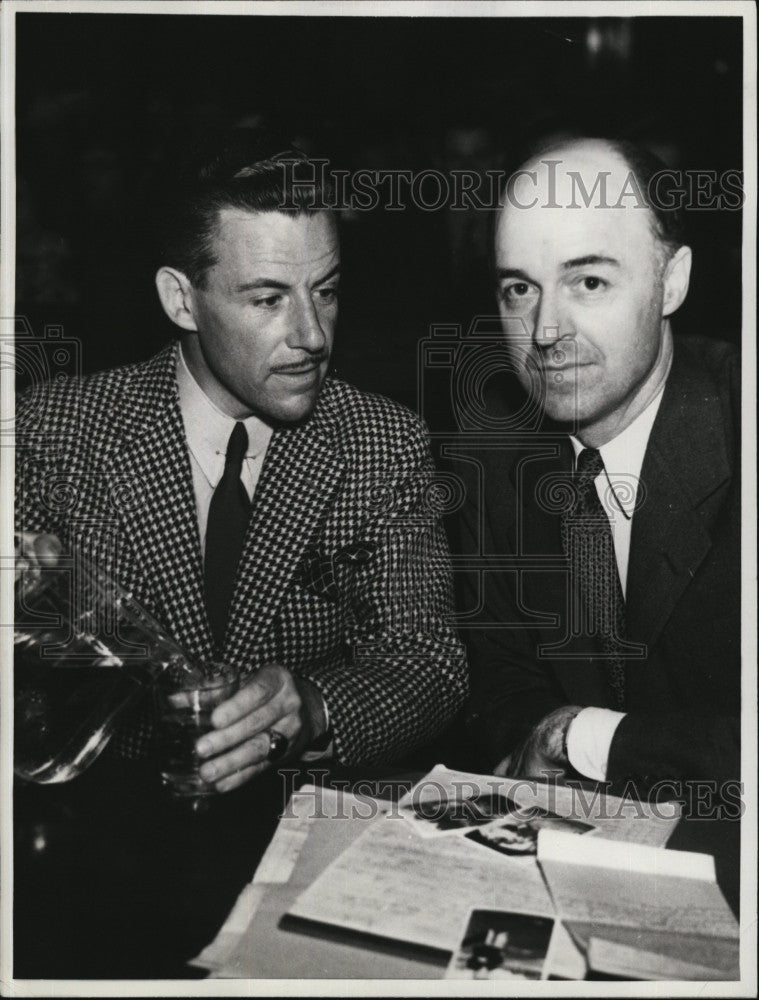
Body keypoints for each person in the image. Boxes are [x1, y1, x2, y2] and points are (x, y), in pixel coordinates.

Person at [15, 128, 468, 791]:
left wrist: (312, 708)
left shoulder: (383, 441)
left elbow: (428, 661)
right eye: (267, 299)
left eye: (327, 291)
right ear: (180, 299)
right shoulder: (52, 429)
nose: (312, 335)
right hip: (96, 834)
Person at [455, 137, 740, 793]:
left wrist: (579, 738)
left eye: (588, 282)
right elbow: (499, 682)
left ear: (672, 281)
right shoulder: (493, 453)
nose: (545, 330)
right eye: (518, 289)